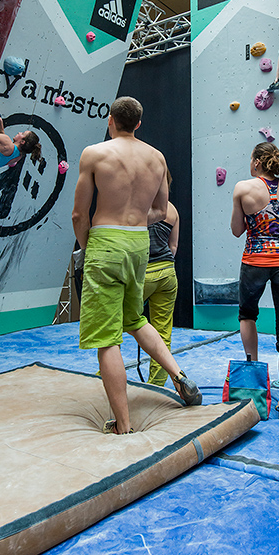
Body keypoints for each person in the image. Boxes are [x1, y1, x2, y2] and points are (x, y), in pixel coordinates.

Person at [72, 97, 201, 434]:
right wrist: (134, 224)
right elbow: (162, 209)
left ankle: (124, 425)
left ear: (110, 119)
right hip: (138, 244)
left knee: (106, 339)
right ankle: (179, 375)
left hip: (106, 242)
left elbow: (78, 214)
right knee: (134, 319)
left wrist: (91, 247)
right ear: (139, 124)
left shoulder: (95, 154)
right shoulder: (155, 157)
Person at [231, 142, 279, 418]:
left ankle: (253, 374)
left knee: (247, 314)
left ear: (256, 163)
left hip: (254, 261)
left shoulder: (243, 188)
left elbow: (237, 230)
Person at [142, 168, 179, 386]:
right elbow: (172, 245)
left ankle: (105, 377)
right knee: (162, 330)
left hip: (143, 272)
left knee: (116, 325)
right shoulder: (172, 210)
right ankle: (156, 384)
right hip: (167, 271)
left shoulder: (140, 205)